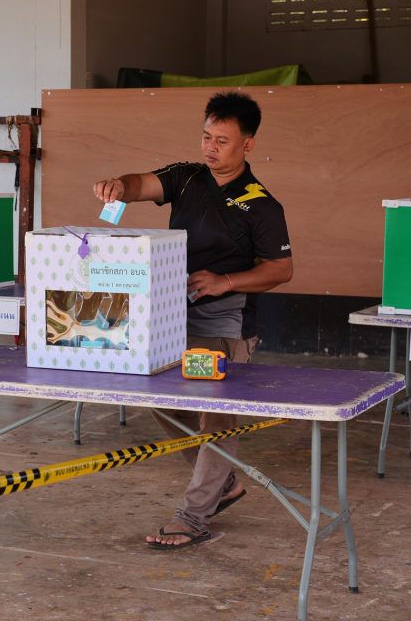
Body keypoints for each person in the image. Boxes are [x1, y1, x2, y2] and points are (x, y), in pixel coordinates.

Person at [92, 91, 293, 550]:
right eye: (206, 136)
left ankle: (195, 515)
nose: (210, 147)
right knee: (159, 399)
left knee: (217, 419)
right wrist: (118, 186)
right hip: (168, 318)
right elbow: (139, 184)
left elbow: (281, 270)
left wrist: (225, 281)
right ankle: (223, 484)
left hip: (224, 328)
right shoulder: (186, 178)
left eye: (222, 140)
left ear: (248, 144)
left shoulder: (261, 205)